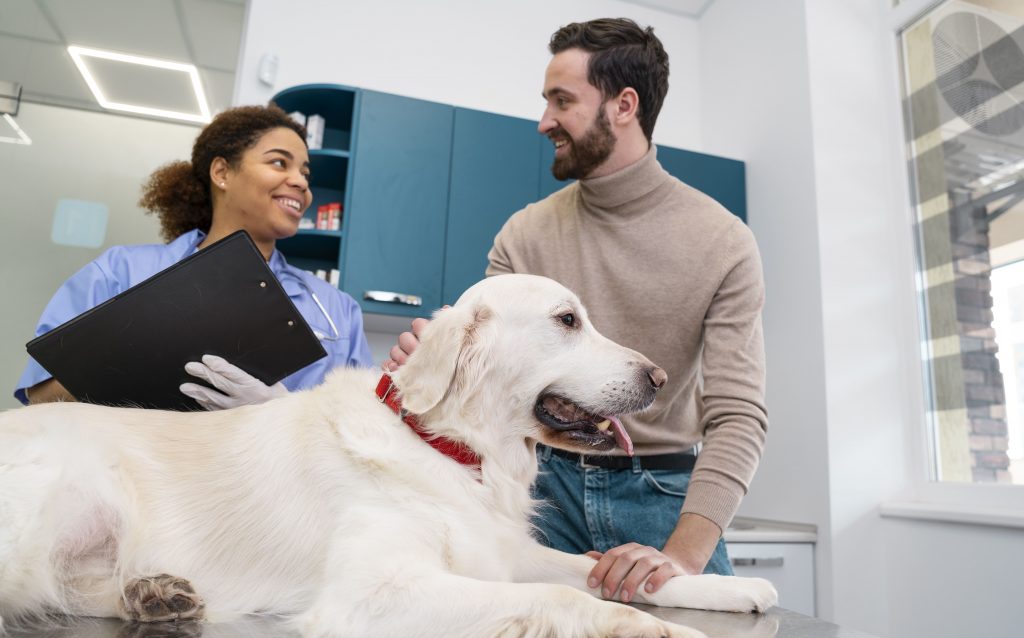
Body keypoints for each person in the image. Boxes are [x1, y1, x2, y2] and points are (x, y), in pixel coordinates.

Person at [387, 18, 767, 603]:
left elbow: (738, 414)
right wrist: (437, 359)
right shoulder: (524, 233)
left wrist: (682, 557)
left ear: (623, 105)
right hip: (538, 494)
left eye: (562, 101)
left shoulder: (723, 241)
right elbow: (492, 384)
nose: (544, 123)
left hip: (665, 498)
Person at [15, 104, 373, 408]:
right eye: (280, 163)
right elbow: (41, 399)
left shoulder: (338, 311)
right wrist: (139, 359)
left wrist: (282, 413)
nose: (301, 182)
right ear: (221, 173)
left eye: (305, 173)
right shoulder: (120, 272)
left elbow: (361, 430)